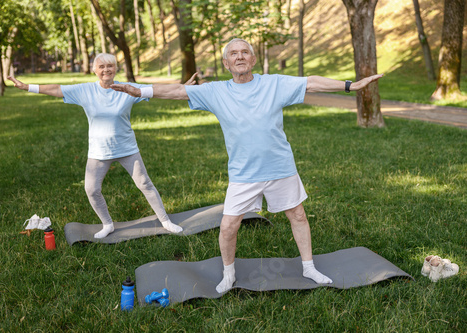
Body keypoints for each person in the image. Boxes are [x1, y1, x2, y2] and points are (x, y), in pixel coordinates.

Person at [111, 39, 383, 292]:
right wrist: (140, 90)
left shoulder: (274, 84)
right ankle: (229, 274)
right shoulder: (216, 91)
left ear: (253, 60)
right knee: (229, 226)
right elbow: (179, 91)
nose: (239, 56)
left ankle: (309, 268)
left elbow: (311, 83)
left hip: (280, 167)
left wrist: (350, 85)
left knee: (298, 216)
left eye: (244, 52)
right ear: (227, 64)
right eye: (233, 54)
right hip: (243, 173)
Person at [8, 53, 189, 239]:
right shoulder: (85, 90)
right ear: (95, 70)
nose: (106, 70)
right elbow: (56, 89)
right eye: (101, 67)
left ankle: (165, 221)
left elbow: (157, 90)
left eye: (110, 66)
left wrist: (183, 89)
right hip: (99, 151)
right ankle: (107, 224)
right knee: (91, 189)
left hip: (127, 148)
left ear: (116, 69)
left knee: (145, 184)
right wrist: (26, 87)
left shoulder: (129, 88)